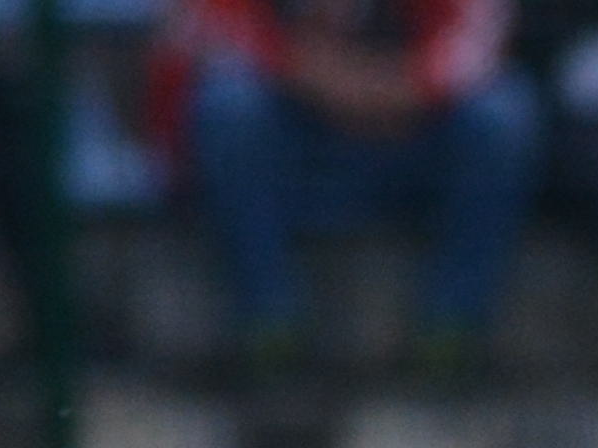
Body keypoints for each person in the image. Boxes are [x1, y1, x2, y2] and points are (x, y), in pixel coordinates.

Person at [162, 0, 539, 366]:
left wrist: (406, 86)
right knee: (228, 106)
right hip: (295, 131)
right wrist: (313, 73)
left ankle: (451, 331)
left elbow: (479, 32)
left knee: (501, 114)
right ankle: (269, 326)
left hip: (413, 130)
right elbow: (210, 24)